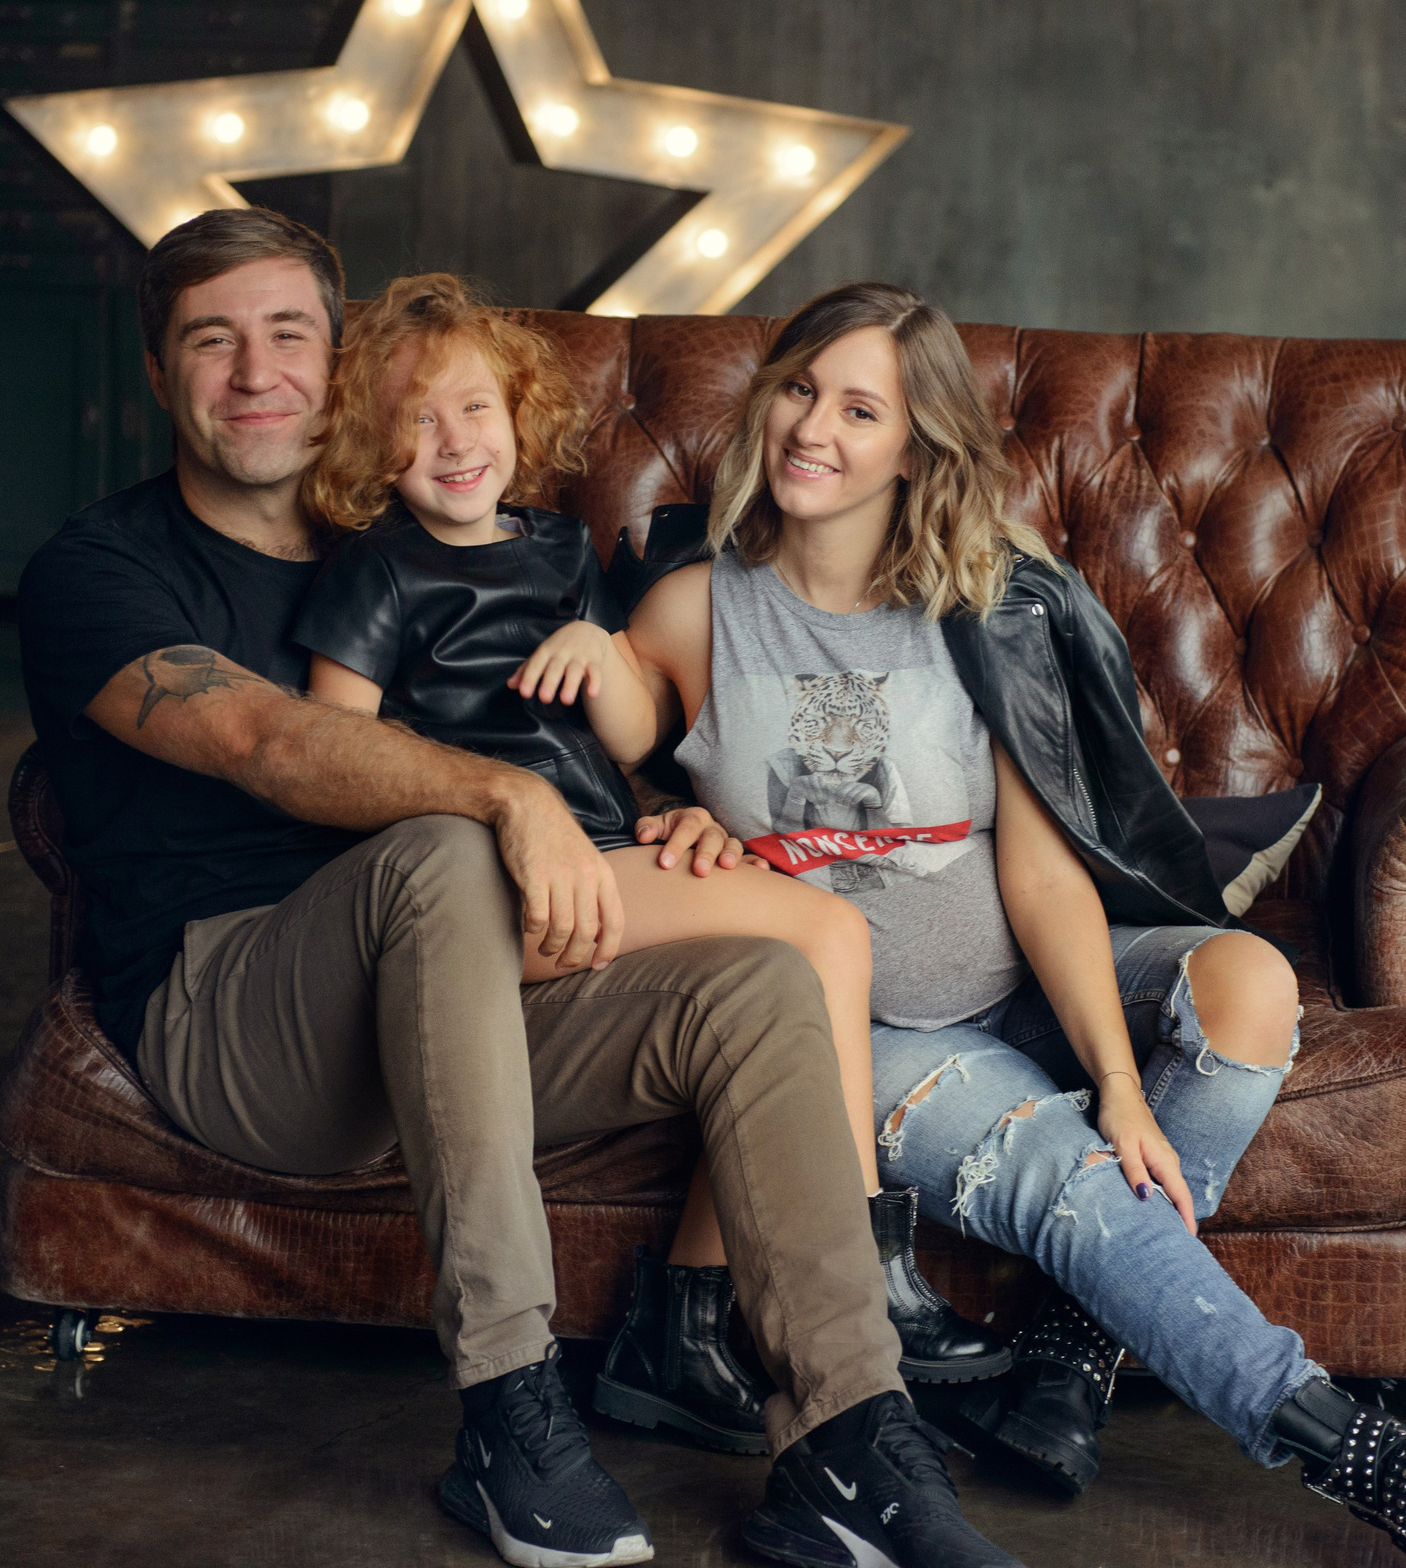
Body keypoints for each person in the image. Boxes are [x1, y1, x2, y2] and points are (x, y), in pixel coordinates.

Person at [15, 212, 1022, 1568]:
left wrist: (673, 824)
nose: (255, 370)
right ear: (158, 373)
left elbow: (564, 732)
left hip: (452, 997)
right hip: (240, 1015)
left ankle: (845, 1437)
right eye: (212, 339)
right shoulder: (100, 570)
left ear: (338, 367)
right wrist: (509, 799)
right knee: (436, 844)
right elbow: (265, 738)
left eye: (288, 334)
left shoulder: (409, 531)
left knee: (768, 982)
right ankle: (506, 1405)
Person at [619, 282, 1406, 1568]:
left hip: (1023, 980)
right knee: (1075, 1185)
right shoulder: (697, 607)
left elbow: (1045, 876)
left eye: (860, 405)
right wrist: (665, 803)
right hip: (864, 1035)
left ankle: (1066, 1354)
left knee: (1248, 983)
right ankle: (1355, 1450)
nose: (812, 426)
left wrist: (1119, 1081)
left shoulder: (980, 609)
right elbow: (585, 742)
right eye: (798, 387)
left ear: (917, 445)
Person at [289, 273, 1005, 1453]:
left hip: (604, 850)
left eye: (473, 409)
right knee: (821, 932)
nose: (451, 441)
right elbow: (338, 757)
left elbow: (621, 734)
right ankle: (866, 1259)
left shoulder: (563, 552)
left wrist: (680, 810)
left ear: (519, 418)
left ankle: (676, 1328)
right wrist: (490, 835)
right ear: (368, 443)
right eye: (411, 420)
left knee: (764, 987)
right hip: (470, 880)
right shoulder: (377, 569)